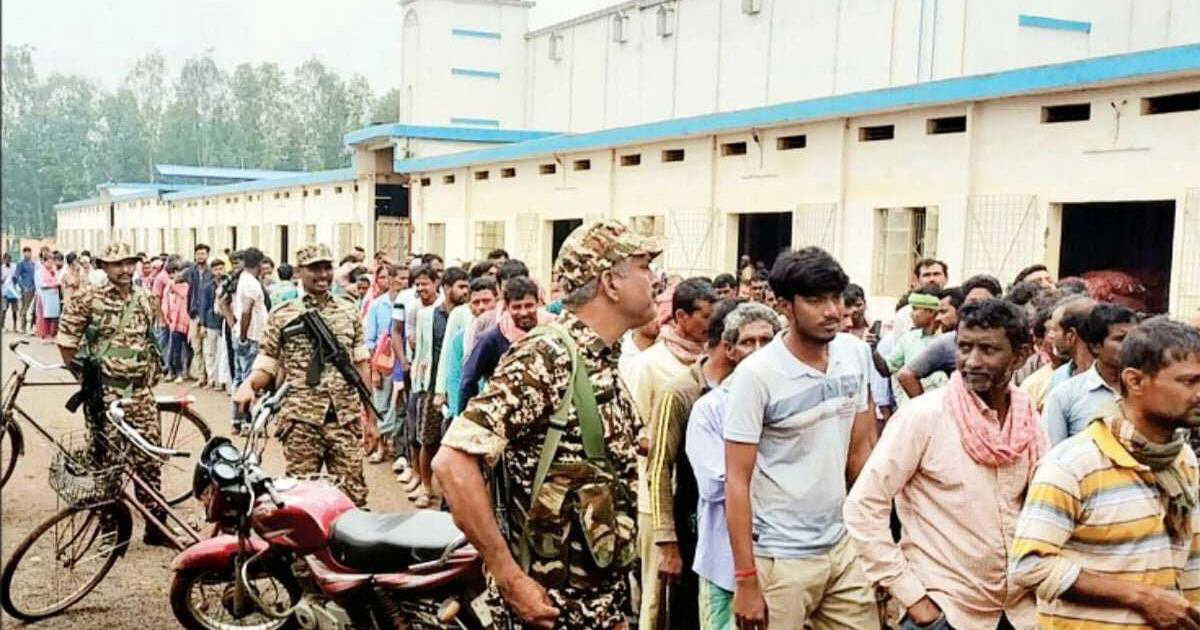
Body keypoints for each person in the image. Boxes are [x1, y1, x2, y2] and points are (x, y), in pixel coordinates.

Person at [433, 219, 660, 629]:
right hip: (550, 609)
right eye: (644, 267)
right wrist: (509, 577)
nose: (655, 280)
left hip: (598, 603)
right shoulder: (547, 356)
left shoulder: (600, 359)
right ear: (610, 283)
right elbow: (452, 464)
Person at [844, 299, 1044, 630]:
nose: (972, 361)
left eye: (988, 350)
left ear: (1020, 356)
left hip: (1018, 612)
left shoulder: (1028, 420)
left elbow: (1042, 505)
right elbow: (863, 507)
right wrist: (914, 599)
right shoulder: (924, 416)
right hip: (946, 610)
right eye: (964, 348)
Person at [724, 247, 880, 630]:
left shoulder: (855, 354)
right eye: (815, 300)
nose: (832, 311)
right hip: (779, 557)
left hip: (843, 546)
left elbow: (861, 452)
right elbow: (737, 480)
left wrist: (873, 541)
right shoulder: (756, 375)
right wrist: (746, 579)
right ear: (785, 307)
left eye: (836, 298)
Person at [1010, 317, 1200, 629]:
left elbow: (1190, 562)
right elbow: (1029, 565)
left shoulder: (1181, 460)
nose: (1198, 393)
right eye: (1189, 382)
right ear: (1135, 381)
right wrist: (1141, 597)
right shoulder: (1074, 464)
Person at [233, 243, 379, 508]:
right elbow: (267, 364)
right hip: (301, 423)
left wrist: (371, 420)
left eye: (327, 268)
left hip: (344, 421)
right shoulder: (283, 314)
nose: (323, 275)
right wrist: (249, 385)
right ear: (299, 272)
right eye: (314, 269)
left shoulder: (349, 310)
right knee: (300, 500)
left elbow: (361, 366)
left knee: (353, 499)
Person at [56, 242, 170, 545]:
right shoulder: (87, 299)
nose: (125, 269)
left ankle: (156, 527)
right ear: (103, 266)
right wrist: (87, 381)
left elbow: (148, 339)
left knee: (150, 460)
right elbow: (66, 344)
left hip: (141, 394)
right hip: (106, 395)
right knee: (107, 463)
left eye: (129, 262)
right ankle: (111, 530)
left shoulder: (144, 298)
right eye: (117, 263)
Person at [685, 301, 781, 630]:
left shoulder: (790, 404)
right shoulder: (710, 409)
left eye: (767, 341)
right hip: (725, 562)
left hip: (785, 559)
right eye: (748, 342)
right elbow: (715, 485)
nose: (758, 350)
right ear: (730, 350)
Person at [629, 277, 717, 630]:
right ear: (681, 316)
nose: (712, 323)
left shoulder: (715, 365)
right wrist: (673, 442)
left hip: (694, 499)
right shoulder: (650, 364)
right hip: (655, 496)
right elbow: (631, 427)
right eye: (706, 316)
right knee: (657, 594)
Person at [410, 267, 470, 508]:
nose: (465, 292)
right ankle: (426, 487)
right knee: (428, 439)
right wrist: (422, 384)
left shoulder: (468, 315)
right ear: (446, 288)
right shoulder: (427, 315)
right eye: (461, 287)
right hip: (432, 384)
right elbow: (421, 351)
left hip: (457, 388)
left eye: (467, 287)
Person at [1040, 303, 1138, 446]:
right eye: (1120, 339)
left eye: (1134, 339)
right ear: (1095, 346)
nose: (1131, 346)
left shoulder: (1151, 390)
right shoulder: (1064, 395)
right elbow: (1052, 452)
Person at [895, 274, 1003, 399]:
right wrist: (929, 407)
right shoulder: (948, 342)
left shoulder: (1008, 339)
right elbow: (906, 375)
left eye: (985, 304)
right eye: (972, 304)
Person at [458, 276, 546, 404]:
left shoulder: (553, 331)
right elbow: (468, 381)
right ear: (507, 307)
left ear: (538, 303)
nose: (524, 312)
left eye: (529, 306)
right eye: (516, 307)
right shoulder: (492, 339)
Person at [398, 265, 440, 500]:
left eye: (425, 283)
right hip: (418, 375)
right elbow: (411, 340)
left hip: (436, 378)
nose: (421, 288)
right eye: (418, 284)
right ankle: (418, 476)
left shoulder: (444, 308)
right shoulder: (415, 309)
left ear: (436, 283)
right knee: (416, 429)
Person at [365, 263, 403, 465]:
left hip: (403, 362)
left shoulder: (409, 303)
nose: (401, 282)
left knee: (401, 408)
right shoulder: (378, 305)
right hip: (383, 362)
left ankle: (397, 449)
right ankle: (380, 446)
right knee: (381, 404)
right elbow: (370, 340)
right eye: (398, 278)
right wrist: (375, 370)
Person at [231, 247, 268, 434]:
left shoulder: (244, 279)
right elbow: (246, 311)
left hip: (243, 334)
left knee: (239, 379)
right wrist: (245, 337)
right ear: (260, 263)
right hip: (251, 337)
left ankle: (237, 420)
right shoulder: (251, 283)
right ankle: (245, 421)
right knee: (248, 381)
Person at [1044, 296, 1097, 392]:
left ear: (1071, 335)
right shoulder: (1059, 377)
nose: (1051, 336)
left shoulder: (1111, 377)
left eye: (1055, 329)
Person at [891, 259, 949, 338]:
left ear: (946, 279)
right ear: (918, 280)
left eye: (936, 274)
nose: (932, 279)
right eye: (926, 275)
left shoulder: (954, 309)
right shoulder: (904, 314)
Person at [184, 244, 214, 386]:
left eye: (203, 253)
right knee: (196, 348)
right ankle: (201, 377)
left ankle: (211, 378)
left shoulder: (212, 272)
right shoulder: (191, 271)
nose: (200, 256)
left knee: (208, 348)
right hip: (194, 313)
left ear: (207, 255)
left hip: (207, 315)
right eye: (198, 254)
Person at [196, 258, 226, 391]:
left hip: (223, 322)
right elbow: (203, 306)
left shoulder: (227, 284)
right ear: (212, 271)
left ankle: (221, 380)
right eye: (216, 269)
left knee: (221, 352)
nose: (219, 272)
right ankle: (211, 378)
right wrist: (202, 324)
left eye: (221, 268)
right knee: (209, 352)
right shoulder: (207, 286)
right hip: (210, 322)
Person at [163, 267, 192, 383]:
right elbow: (166, 303)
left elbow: (182, 294)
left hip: (185, 321)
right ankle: (177, 372)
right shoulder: (169, 288)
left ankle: (184, 371)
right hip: (175, 322)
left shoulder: (186, 288)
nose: (177, 275)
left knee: (187, 349)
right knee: (176, 350)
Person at [35, 250, 63, 340]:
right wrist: (53, 284)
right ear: (44, 262)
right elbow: (41, 285)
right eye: (49, 262)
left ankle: (52, 334)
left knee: (54, 316)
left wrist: (56, 284)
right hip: (44, 297)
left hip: (54, 296)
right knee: (45, 317)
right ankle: (44, 335)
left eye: (52, 262)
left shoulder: (54, 270)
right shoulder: (39, 272)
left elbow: (58, 280)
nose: (51, 264)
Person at [15, 247, 36, 334]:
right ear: (23, 253)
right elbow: (17, 277)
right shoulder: (20, 263)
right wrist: (23, 287)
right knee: (25, 308)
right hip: (26, 289)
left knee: (31, 309)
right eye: (27, 252)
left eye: (30, 252)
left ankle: (30, 327)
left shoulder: (33, 263)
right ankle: (23, 327)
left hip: (33, 288)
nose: (29, 254)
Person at [2, 253, 19, 330]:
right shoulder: (2, 268)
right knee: (4, 309)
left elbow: (17, 277)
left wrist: (14, 278)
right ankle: (2, 326)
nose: (8, 261)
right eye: (6, 259)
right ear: (4, 260)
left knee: (14, 310)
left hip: (13, 292)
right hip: (5, 292)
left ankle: (15, 326)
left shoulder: (14, 266)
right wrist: (3, 279)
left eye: (9, 259)